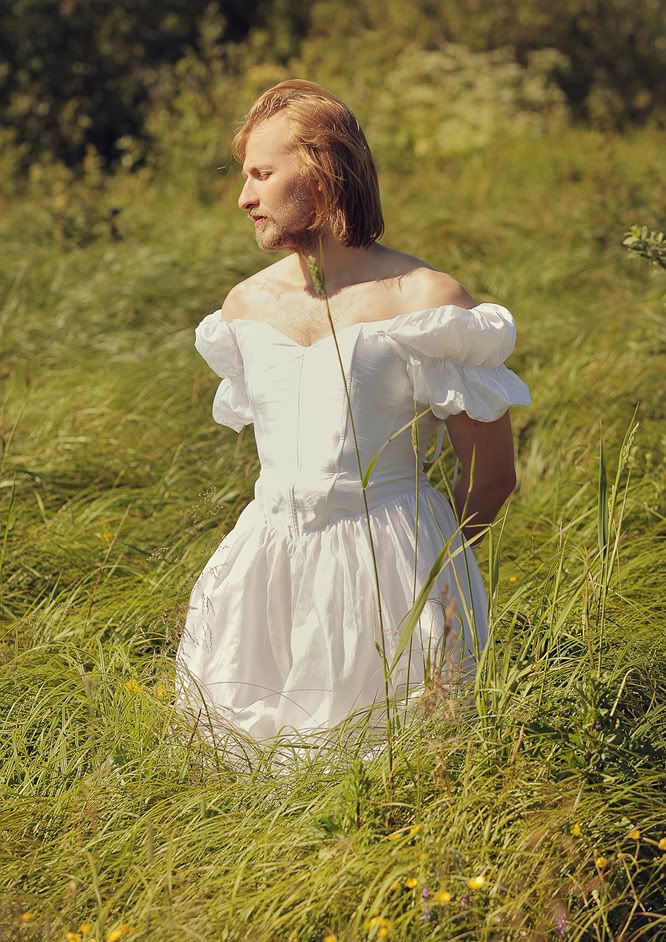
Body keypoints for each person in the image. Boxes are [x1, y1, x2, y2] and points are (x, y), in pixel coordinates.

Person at [175, 79, 531, 759]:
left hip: (389, 566)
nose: (243, 198)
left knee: (391, 768)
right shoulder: (245, 307)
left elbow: (492, 476)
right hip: (263, 567)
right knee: (240, 772)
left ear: (320, 175)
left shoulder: (422, 299)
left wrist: (429, 567)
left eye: (261, 174)